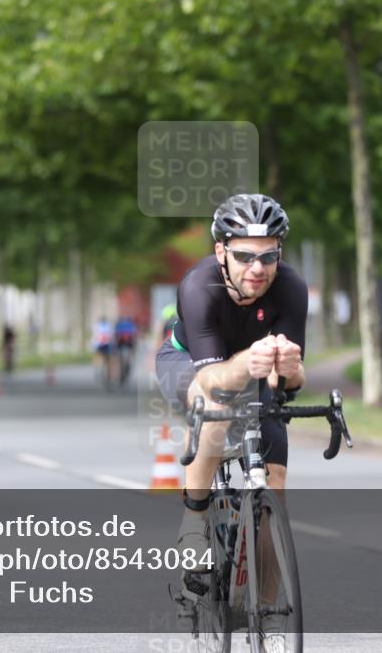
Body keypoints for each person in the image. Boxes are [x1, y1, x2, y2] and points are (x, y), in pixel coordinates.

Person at [155, 194, 306, 570]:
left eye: (268, 256)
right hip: (188, 361)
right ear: (221, 252)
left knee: (276, 490)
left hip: (251, 368)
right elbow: (212, 379)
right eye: (244, 256)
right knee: (215, 408)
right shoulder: (198, 286)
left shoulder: (290, 288)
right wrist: (252, 362)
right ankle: (195, 514)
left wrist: (289, 368)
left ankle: (271, 617)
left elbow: (287, 384)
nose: (257, 268)